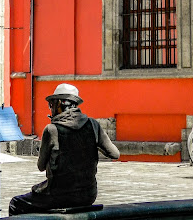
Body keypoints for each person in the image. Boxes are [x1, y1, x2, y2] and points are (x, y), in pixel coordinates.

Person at [9, 83, 120, 215]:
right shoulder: (93, 125)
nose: (51, 109)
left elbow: (41, 166)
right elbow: (114, 154)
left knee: (16, 203)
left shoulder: (52, 130)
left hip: (59, 195)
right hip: (88, 194)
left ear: (60, 104)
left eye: (52, 105)